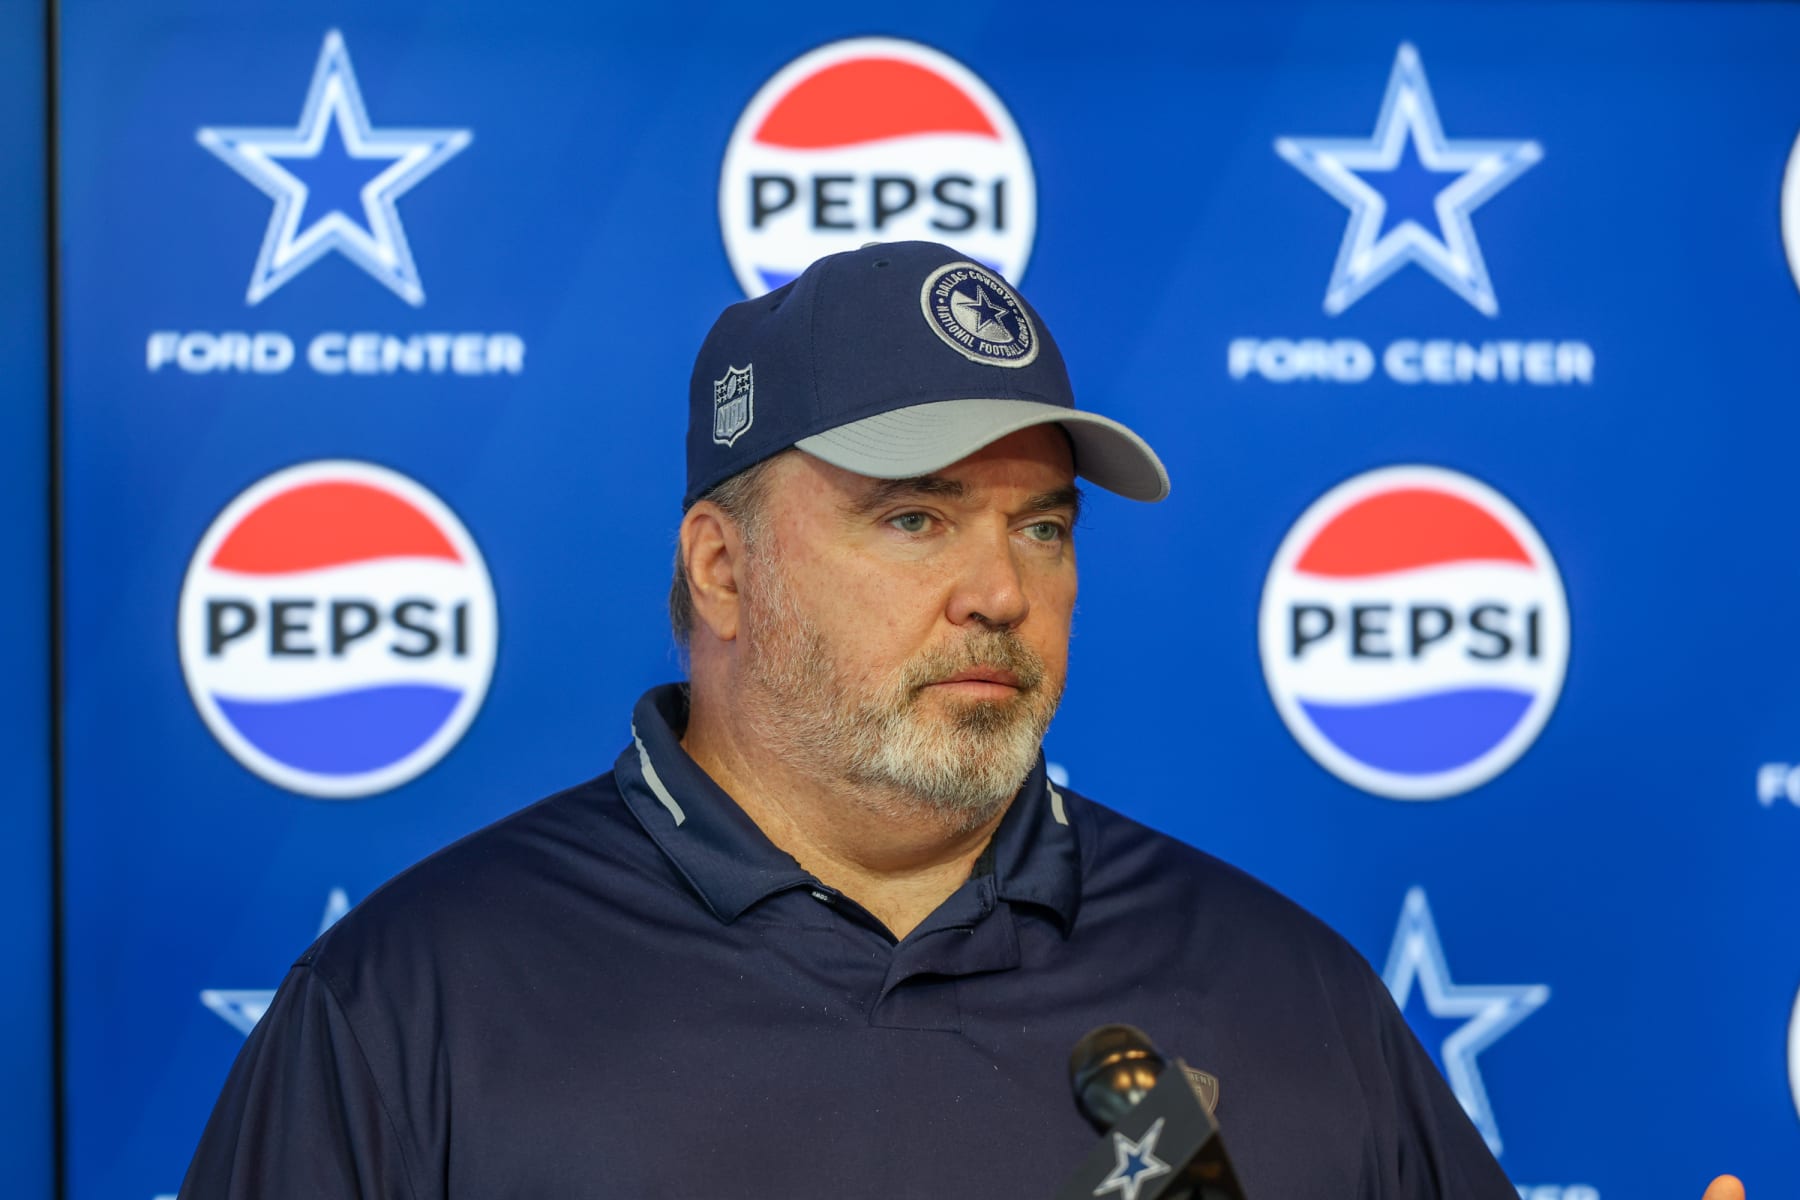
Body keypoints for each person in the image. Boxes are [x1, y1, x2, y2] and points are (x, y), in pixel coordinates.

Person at [179, 242, 1744, 1199]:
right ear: (720, 567)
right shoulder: (407, 1015)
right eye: (916, 520)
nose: (1003, 588)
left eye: (1046, 529)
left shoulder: (1289, 1000)